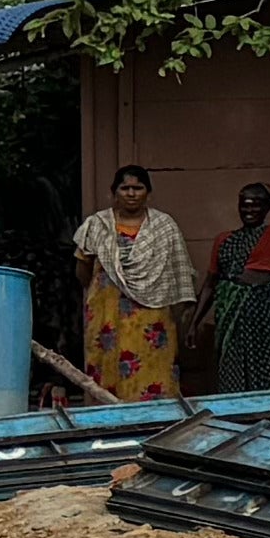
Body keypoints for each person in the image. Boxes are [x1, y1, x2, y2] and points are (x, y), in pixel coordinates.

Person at [70, 161, 197, 406]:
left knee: (154, 367)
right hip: (107, 313)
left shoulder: (164, 226)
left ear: (148, 192)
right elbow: (82, 268)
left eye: (137, 188)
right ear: (114, 192)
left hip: (153, 315)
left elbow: (177, 272)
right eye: (125, 188)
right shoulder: (97, 225)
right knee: (106, 365)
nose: (131, 194)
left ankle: (155, 422)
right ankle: (108, 423)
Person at [198, 179, 270, 395]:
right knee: (231, 363)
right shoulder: (224, 239)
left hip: (263, 310)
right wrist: (195, 322)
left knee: (267, 361)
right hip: (230, 310)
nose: (250, 210)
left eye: (257, 204)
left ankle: (268, 412)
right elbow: (210, 283)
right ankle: (236, 415)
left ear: (267, 208)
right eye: (245, 205)